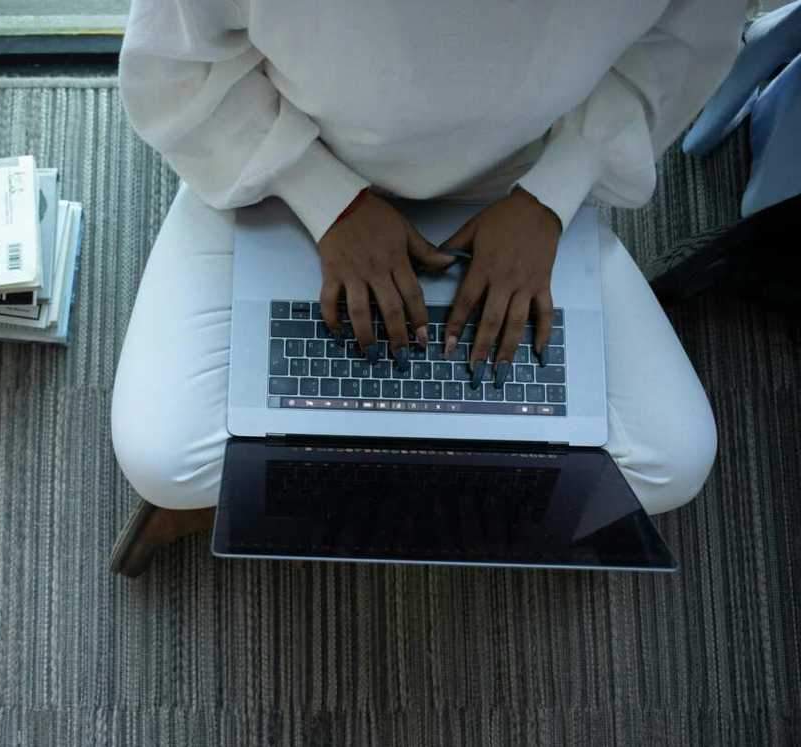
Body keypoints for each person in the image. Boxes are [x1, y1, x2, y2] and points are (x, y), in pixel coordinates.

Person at [109, 0, 746, 576]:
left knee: (671, 464)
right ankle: (412, 495)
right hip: (291, 165)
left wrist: (550, 197)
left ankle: (271, 496)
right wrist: (325, 197)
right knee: (162, 461)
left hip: (523, 181)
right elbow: (176, 69)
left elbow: (680, 44)